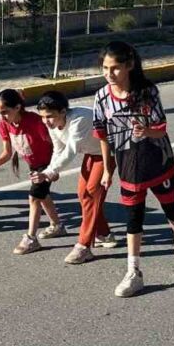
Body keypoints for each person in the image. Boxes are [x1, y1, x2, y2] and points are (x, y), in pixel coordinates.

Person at [94, 40, 174, 297]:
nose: (109, 74)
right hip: (128, 165)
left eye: (115, 68)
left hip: (157, 160)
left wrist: (147, 131)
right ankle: (134, 271)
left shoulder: (148, 91)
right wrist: (108, 169)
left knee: (170, 209)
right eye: (105, 68)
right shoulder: (101, 96)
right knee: (134, 218)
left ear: (129, 65)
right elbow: (103, 135)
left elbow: (162, 128)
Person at [34, 89, 117, 264]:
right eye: (42, 117)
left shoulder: (79, 119)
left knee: (93, 193)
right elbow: (58, 149)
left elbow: (71, 150)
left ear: (63, 111)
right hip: (92, 153)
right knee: (83, 195)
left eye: (49, 116)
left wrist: (50, 172)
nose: (46, 121)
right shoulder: (53, 125)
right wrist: (50, 171)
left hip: (108, 153)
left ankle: (83, 246)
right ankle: (104, 234)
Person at [0, 88, 64, 255]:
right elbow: (7, 152)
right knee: (42, 196)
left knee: (34, 197)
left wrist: (54, 169)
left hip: (47, 164)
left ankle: (31, 238)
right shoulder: (4, 125)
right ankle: (57, 226)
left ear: (17, 107)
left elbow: (56, 145)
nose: (1, 116)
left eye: (4, 112)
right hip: (34, 166)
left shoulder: (36, 121)